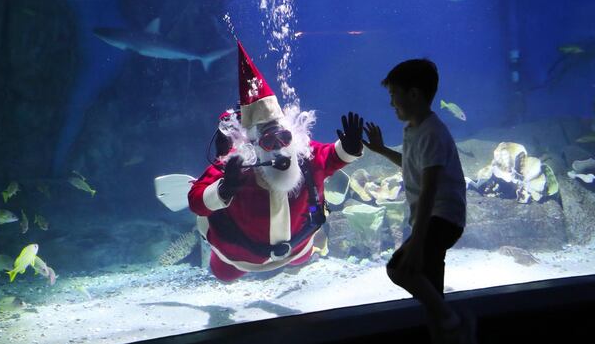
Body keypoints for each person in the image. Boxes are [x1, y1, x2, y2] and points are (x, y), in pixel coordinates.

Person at [188, 41, 364, 281]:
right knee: (224, 274)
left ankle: (297, 262)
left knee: (302, 258)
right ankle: (223, 265)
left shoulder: (304, 154)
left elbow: (331, 156)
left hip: (300, 244)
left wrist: (349, 148)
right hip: (242, 255)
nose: (280, 148)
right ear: (253, 146)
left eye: (283, 137)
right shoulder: (237, 166)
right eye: (269, 142)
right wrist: (223, 189)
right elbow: (197, 201)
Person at [361, 59, 476, 344]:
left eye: (393, 95)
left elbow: (429, 189)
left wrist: (416, 241)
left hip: (443, 218)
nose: (391, 104)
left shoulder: (433, 133)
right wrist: (381, 150)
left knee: (399, 268)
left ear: (413, 95)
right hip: (432, 219)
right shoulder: (414, 129)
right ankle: (450, 333)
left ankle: (455, 321)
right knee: (431, 292)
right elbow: (411, 166)